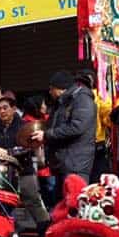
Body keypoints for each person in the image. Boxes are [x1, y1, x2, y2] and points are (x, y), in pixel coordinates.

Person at [0, 97, 50, 237]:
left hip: (23, 167)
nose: (2, 111)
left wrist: (8, 152)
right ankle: (5, 228)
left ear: (14, 109)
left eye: (5, 108)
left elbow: (29, 146)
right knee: (1, 200)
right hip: (2, 171)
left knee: (32, 198)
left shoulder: (24, 125)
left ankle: (45, 230)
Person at [31, 71, 97, 204]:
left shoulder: (82, 100)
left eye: (51, 88)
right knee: (62, 203)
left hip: (76, 162)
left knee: (75, 202)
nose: (50, 92)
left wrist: (47, 135)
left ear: (60, 88)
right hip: (63, 162)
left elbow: (77, 127)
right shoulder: (63, 102)